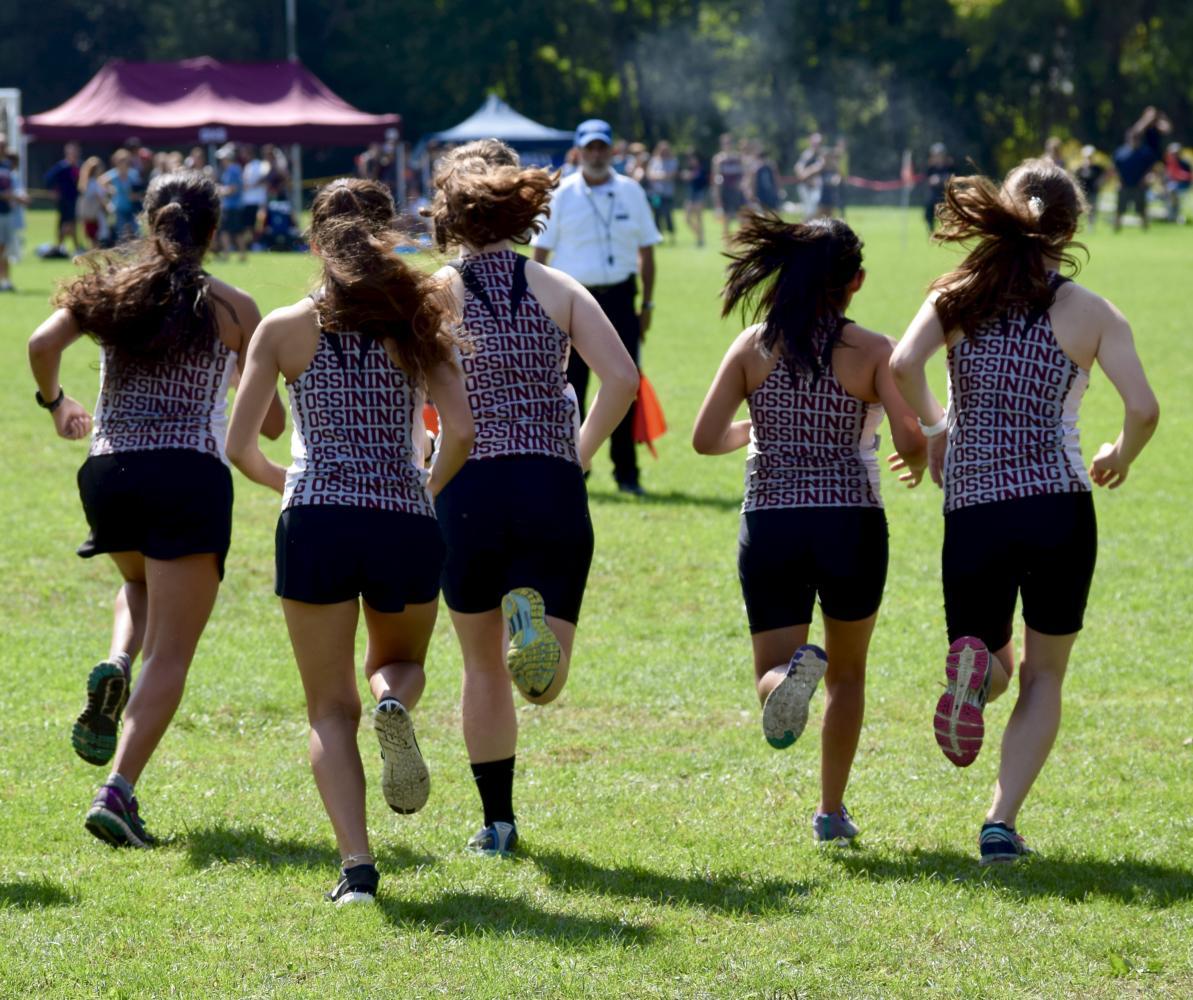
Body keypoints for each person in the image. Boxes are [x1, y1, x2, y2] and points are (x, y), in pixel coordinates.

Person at [890, 159, 1159, 864]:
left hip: (974, 509)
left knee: (989, 657)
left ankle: (975, 671)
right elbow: (1143, 409)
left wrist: (936, 427)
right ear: (1070, 229)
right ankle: (999, 823)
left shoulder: (957, 294)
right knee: (1042, 674)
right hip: (1058, 507)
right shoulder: (1093, 312)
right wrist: (1120, 454)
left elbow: (899, 366)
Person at [226, 178, 473, 905]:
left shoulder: (281, 327)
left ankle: (357, 870)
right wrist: (423, 490)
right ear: (387, 234)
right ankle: (393, 703)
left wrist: (298, 488)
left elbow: (241, 448)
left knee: (328, 709)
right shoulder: (418, 321)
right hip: (401, 516)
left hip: (316, 522)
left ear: (316, 239)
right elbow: (458, 430)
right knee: (398, 664)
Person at [26, 170, 285, 849]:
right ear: (212, 230)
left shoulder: (112, 287)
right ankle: (117, 791)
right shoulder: (232, 306)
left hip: (109, 469)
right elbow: (271, 425)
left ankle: (115, 659)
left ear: (148, 222)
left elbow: (40, 344)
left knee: (137, 582)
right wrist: (239, 370)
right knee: (172, 652)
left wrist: (57, 404)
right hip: (188, 473)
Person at [428, 139, 638, 855]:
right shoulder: (558, 288)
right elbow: (622, 380)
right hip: (549, 481)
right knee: (543, 687)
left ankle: (496, 822)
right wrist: (577, 456)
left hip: (467, 486)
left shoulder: (433, 294)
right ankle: (532, 630)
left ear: (451, 218)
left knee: (481, 667)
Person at [692, 213, 926, 846]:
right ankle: (830, 811)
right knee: (848, 674)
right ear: (855, 282)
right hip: (851, 520)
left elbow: (704, 437)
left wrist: (756, 431)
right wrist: (918, 455)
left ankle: (788, 680)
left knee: (770, 666)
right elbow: (909, 433)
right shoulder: (874, 348)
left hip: (770, 519)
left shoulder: (752, 346)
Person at [532, 119, 661, 495]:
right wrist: (542, 308)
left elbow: (648, 249)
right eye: (589, 148)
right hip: (572, 298)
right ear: (578, 152)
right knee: (570, 386)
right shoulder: (561, 194)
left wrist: (648, 303)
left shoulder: (631, 191)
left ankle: (627, 473)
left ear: (611, 150)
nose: (596, 154)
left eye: (602, 147)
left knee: (624, 380)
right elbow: (540, 254)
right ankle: (575, 468)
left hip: (621, 295)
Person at [1112, 107, 1170, 232]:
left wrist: (1160, 118)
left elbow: (1167, 129)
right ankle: (1117, 229)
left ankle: (1164, 192)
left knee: (1142, 207)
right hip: (1132, 174)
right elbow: (1136, 129)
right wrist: (1147, 118)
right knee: (1121, 208)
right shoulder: (1141, 129)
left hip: (1153, 158)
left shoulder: (1158, 126)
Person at [0, 133, 30, 291]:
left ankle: (6, 281)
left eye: (4, 145)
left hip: (7, 213)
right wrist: (10, 196)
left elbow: (11, 189)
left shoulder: (6, 166)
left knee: (5, 249)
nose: (2, 148)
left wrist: (19, 196)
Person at [45, 142, 82, 254]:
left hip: (75, 199)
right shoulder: (62, 167)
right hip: (64, 200)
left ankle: (65, 246)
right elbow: (48, 179)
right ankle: (63, 246)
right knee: (66, 222)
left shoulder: (79, 166)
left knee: (72, 222)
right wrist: (53, 191)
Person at [712, 133, 746, 239]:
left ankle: (743, 239)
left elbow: (744, 175)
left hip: (737, 192)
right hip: (725, 191)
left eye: (729, 143)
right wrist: (716, 196)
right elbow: (716, 178)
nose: (728, 145)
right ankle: (727, 242)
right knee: (726, 218)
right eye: (725, 143)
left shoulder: (738, 158)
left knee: (741, 217)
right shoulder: (718, 159)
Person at [102, 149, 141, 243]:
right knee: (121, 233)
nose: (123, 163)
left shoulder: (133, 174)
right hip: (119, 208)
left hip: (132, 208)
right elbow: (101, 183)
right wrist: (109, 189)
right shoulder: (113, 174)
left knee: (135, 232)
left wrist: (136, 195)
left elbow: (139, 189)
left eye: (125, 160)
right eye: (120, 161)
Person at [216, 145, 247, 261]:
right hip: (231, 206)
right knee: (230, 231)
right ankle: (238, 255)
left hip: (232, 206)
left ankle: (230, 255)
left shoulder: (233, 170)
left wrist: (221, 190)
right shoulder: (231, 169)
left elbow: (234, 188)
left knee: (230, 231)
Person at [646, 141, 678, 242]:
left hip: (668, 194)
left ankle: (671, 235)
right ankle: (658, 236)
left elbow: (671, 175)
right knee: (657, 214)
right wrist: (662, 176)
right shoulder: (654, 161)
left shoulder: (673, 161)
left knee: (668, 214)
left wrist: (658, 176)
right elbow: (650, 174)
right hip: (656, 194)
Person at [77, 156, 111, 249]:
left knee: (91, 238)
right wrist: (107, 208)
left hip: (88, 214)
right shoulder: (95, 183)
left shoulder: (87, 183)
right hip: (95, 214)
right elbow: (100, 198)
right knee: (96, 237)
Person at [924, 143, 955, 232]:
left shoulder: (949, 166)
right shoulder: (931, 167)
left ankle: (948, 230)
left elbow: (953, 178)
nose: (937, 157)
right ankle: (931, 230)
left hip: (946, 194)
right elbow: (927, 179)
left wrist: (941, 179)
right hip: (934, 194)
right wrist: (932, 180)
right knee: (929, 210)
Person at [680, 150, 708, 247]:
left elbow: (703, 181)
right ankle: (699, 235)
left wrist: (692, 176)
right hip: (690, 195)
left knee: (698, 218)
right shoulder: (688, 169)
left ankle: (700, 239)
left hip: (699, 195)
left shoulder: (701, 169)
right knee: (686, 219)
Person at [1074, 145, 1105, 230]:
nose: (1089, 159)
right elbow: (1075, 179)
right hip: (1082, 193)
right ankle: (1080, 226)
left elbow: (1106, 175)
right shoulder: (1079, 169)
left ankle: (1091, 226)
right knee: (1081, 210)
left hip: (1093, 192)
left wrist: (1100, 181)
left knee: (1093, 209)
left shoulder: (1097, 168)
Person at [1163, 142, 1190, 223]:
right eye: (1172, 153)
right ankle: (1170, 214)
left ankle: (1173, 215)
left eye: (1175, 153)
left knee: (1172, 190)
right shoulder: (1167, 163)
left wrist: (1180, 175)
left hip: (1182, 186)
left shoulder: (1184, 163)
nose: (1174, 155)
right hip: (1169, 187)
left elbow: (1188, 177)